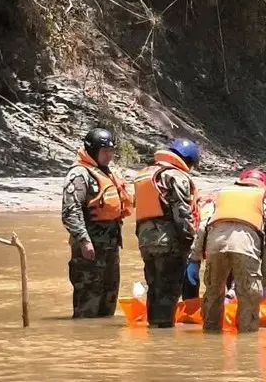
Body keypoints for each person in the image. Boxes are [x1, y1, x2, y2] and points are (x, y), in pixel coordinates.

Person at [187, 168, 266, 332]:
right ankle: (246, 341)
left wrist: (194, 260)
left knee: (213, 294)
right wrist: (265, 282)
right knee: (249, 298)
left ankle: (210, 337)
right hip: (246, 248)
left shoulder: (221, 198)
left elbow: (202, 228)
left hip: (215, 246)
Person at [62, 128, 132, 318]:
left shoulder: (108, 173)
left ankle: (103, 336)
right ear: (92, 151)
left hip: (110, 248)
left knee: (108, 302)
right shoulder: (79, 174)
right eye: (104, 151)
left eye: (111, 151)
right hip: (89, 249)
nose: (109, 156)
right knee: (87, 304)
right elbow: (70, 211)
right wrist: (84, 241)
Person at [133, 138, 200, 328]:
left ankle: (153, 328)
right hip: (168, 241)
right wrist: (189, 239)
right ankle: (163, 333)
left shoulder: (145, 174)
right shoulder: (175, 175)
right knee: (168, 291)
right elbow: (182, 212)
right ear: (188, 160)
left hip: (146, 241)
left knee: (154, 288)